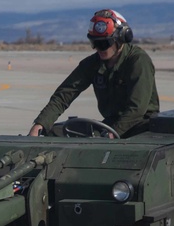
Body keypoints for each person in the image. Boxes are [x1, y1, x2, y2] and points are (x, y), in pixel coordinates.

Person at [28, 9, 159, 139]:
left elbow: (137, 109)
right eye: (95, 43)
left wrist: (112, 134)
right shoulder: (92, 64)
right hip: (111, 125)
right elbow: (64, 95)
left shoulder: (138, 61)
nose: (99, 48)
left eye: (104, 43)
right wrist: (40, 125)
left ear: (121, 38)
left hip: (140, 127)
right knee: (56, 132)